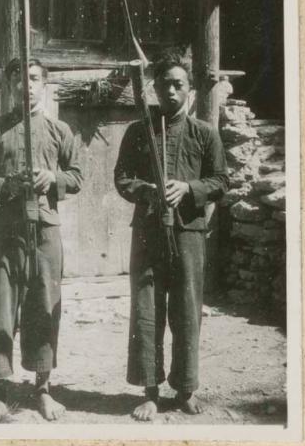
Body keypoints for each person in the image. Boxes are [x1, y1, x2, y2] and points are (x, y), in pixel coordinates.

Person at [114, 49, 229, 421]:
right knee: (147, 310)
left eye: (179, 85)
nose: (172, 92)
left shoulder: (204, 133)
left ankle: (185, 389)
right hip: (148, 232)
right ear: (155, 89)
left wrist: (189, 188)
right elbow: (122, 178)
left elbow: (221, 181)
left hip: (188, 233)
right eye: (165, 85)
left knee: (186, 310)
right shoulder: (138, 130)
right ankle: (149, 391)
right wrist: (147, 190)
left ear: (191, 91)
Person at [0, 58, 83, 421]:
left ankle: (43, 389)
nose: (27, 85)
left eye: (34, 78)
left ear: (43, 84)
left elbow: (77, 175)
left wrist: (52, 178)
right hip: (4, 229)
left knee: (44, 307)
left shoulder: (59, 130)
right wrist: (6, 186)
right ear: (12, 85)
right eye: (20, 78)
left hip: (45, 230)